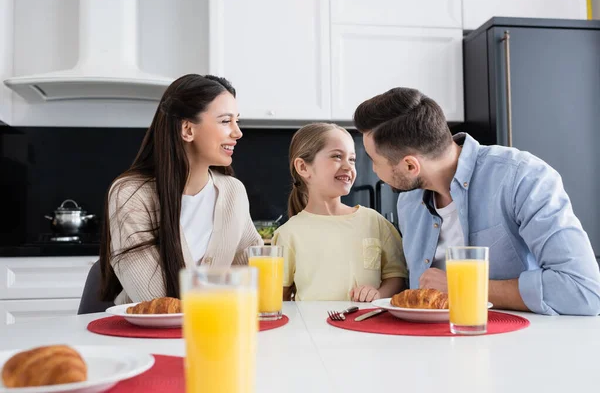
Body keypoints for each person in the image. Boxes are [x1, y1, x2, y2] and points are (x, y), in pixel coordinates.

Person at [353, 87, 600, 315]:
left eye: (374, 160)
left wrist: (463, 287)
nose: (374, 170)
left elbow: (584, 291)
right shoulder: (408, 202)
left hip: (517, 347)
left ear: (410, 165)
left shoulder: (521, 176)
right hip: (428, 346)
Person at [99, 74, 262, 305]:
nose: (238, 132)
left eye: (237, 121)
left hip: (213, 330)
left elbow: (255, 279)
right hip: (145, 337)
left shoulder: (233, 191)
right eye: (226, 121)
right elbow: (156, 301)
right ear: (187, 129)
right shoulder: (131, 194)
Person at [272, 123, 407, 302]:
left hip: (365, 327)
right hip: (313, 329)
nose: (348, 166)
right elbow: (277, 301)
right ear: (303, 168)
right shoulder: (288, 234)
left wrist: (378, 294)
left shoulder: (374, 221)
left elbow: (397, 277)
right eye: (337, 156)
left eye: (352, 159)